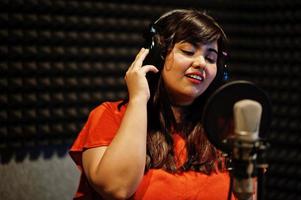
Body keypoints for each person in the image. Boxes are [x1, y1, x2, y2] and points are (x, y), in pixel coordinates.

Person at [70, 9, 235, 200]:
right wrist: (139, 99)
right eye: (188, 51)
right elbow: (116, 188)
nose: (201, 63)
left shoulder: (222, 131)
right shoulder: (110, 116)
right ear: (158, 54)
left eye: (210, 58)